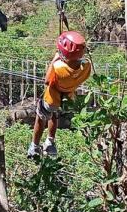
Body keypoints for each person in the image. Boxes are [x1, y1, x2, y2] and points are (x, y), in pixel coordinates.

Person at [27, 31, 92, 159]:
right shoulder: (86, 66)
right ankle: (50, 141)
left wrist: (55, 59)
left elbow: (47, 80)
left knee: (41, 117)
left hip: (52, 97)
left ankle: (34, 146)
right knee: (54, 115)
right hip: (68, 94)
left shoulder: (58, 67)